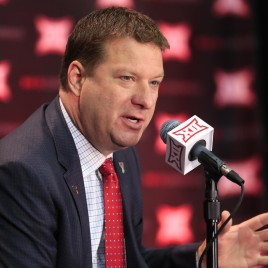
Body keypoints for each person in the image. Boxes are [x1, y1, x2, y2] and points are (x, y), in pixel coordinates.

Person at [0, 6, 267, 268]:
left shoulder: (120, 152)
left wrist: (200, 259)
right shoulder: (22, 172)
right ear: (78, 78)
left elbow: (129, 259)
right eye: (127, 78)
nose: (146, 100)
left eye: (154, 83)